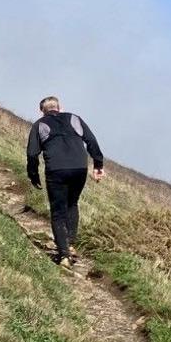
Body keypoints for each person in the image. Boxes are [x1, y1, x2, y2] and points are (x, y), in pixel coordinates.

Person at [25, 96, 104, 263]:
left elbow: (32, 153)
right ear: (59, 108)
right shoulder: (74, 118)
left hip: (56, 170)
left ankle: (64, 254)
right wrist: (98, 164)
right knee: (72, 204)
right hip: (79, 168)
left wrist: (33, 174)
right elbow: (91, 141)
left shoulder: (39, 125)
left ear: (42, 111)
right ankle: (70, 244)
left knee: (58, 211)